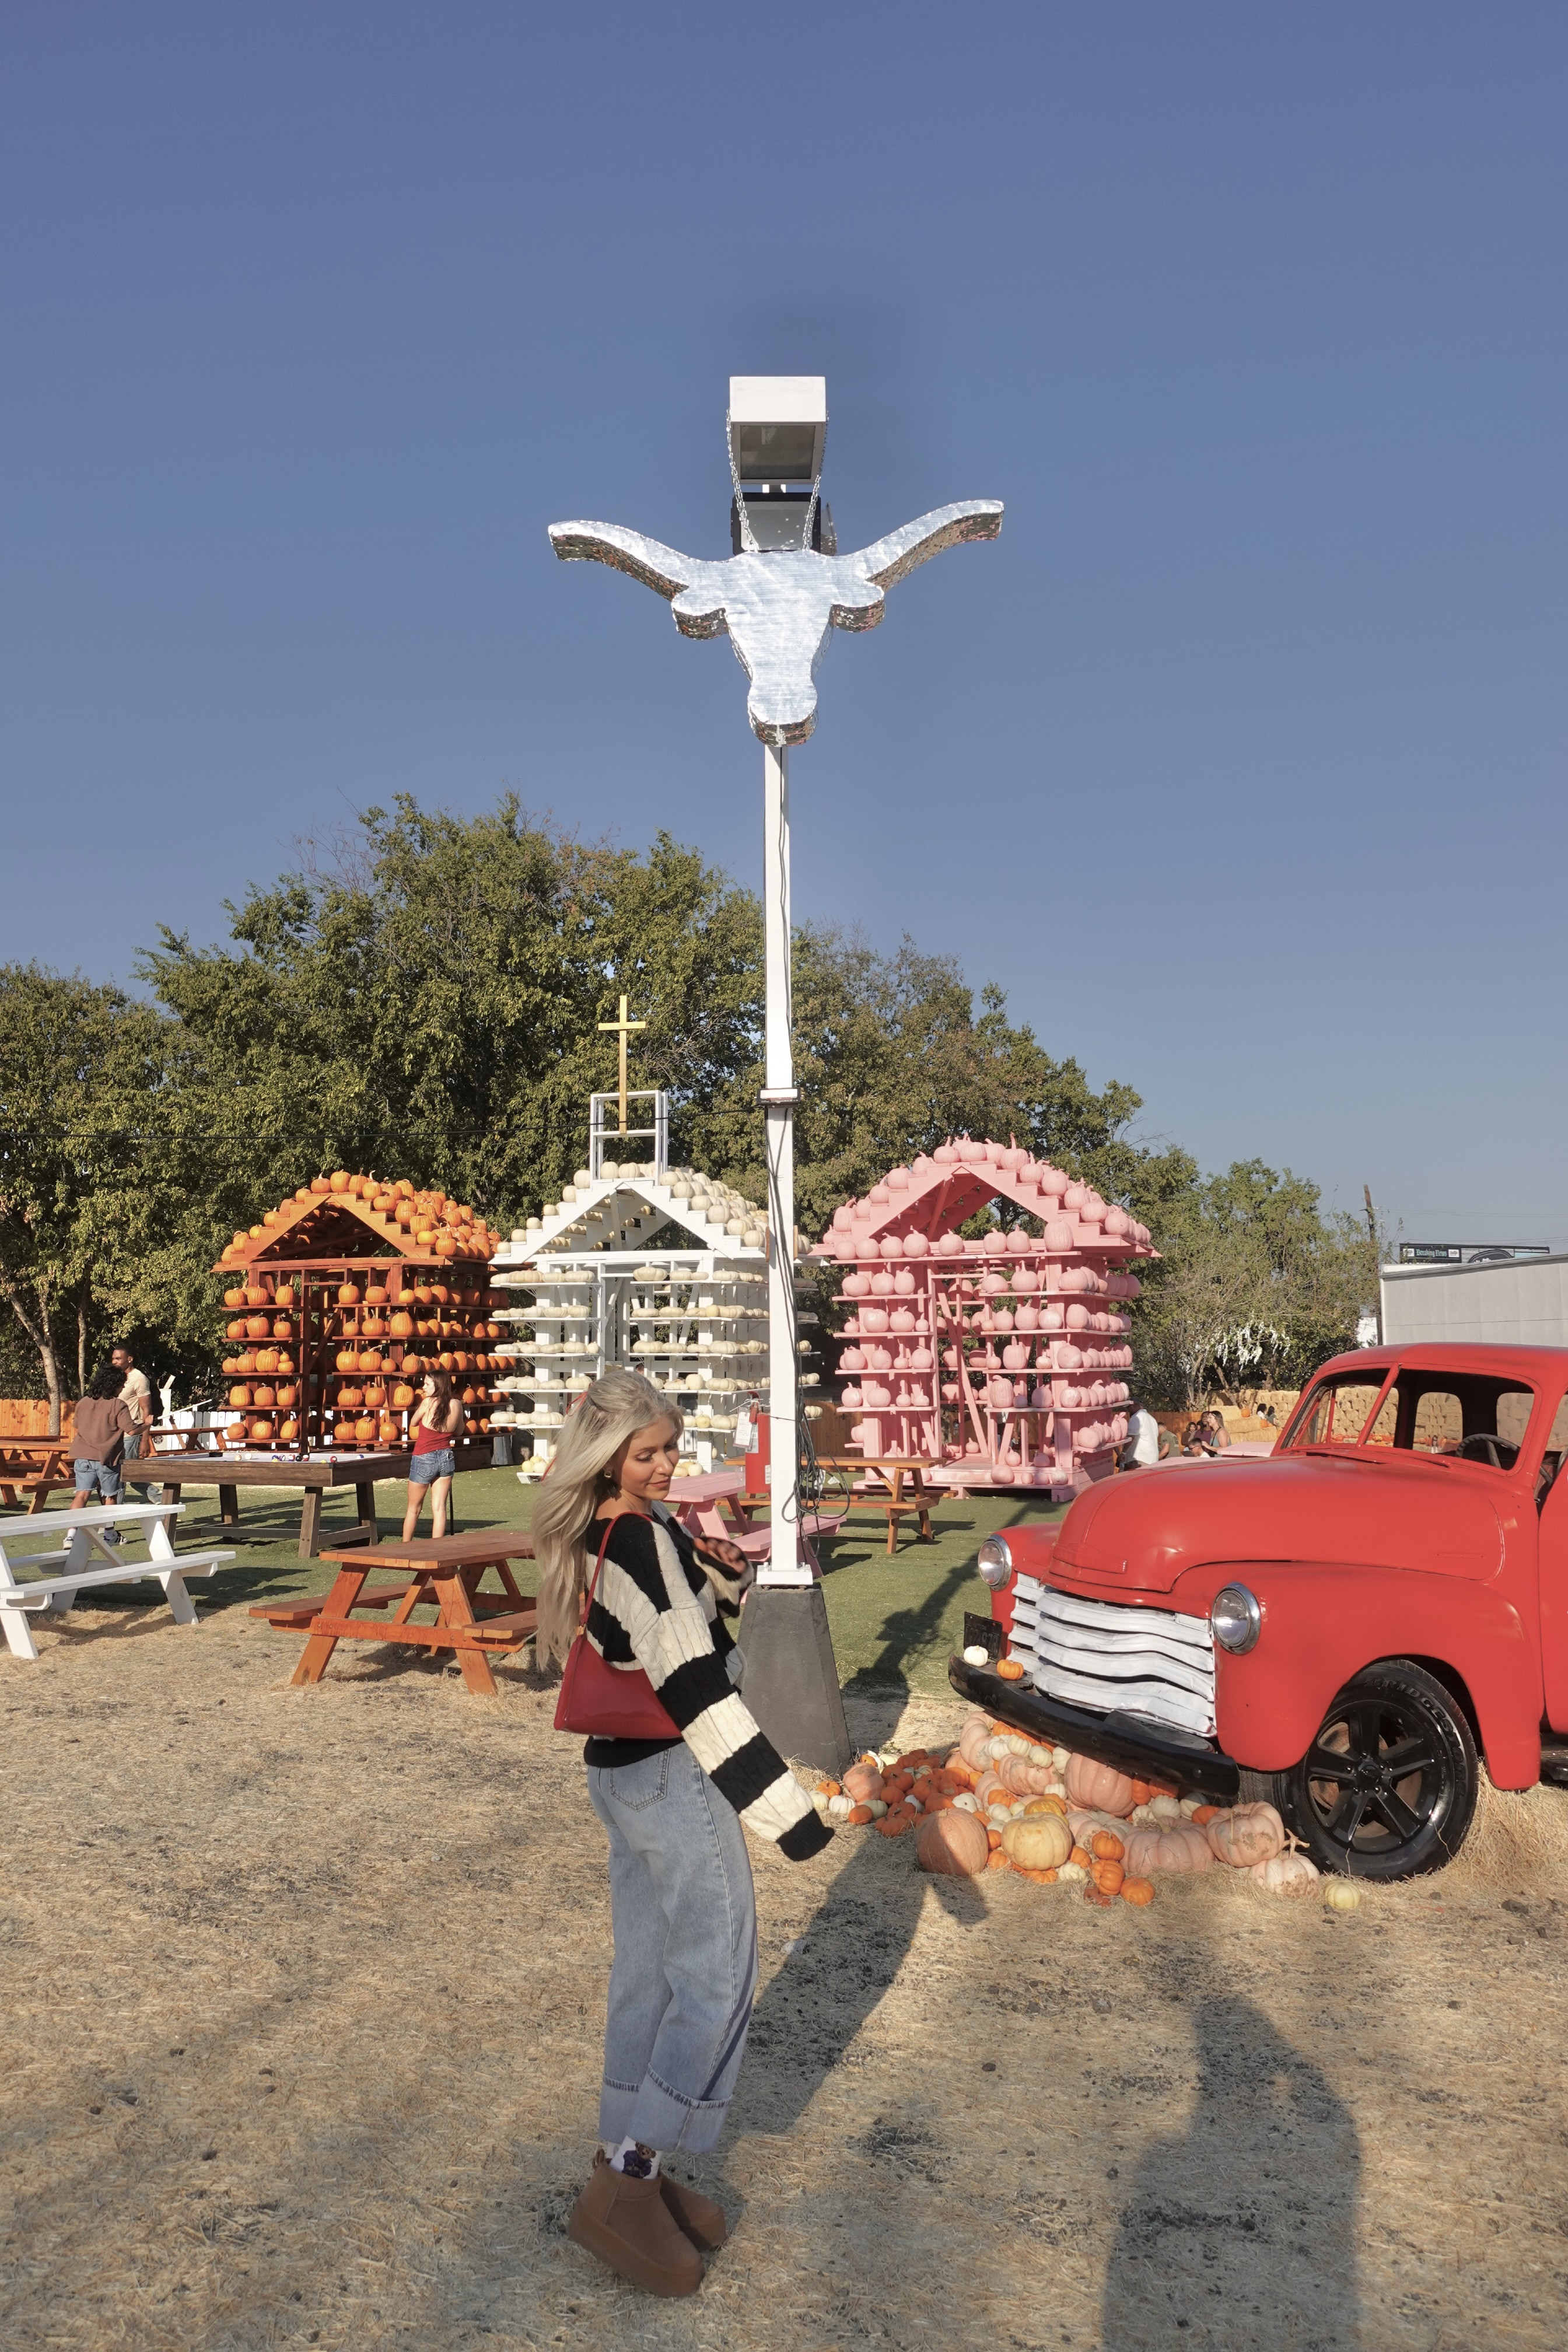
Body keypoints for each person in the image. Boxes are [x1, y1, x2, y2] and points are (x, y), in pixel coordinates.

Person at [534, 1368, 832, 2299]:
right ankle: (629, 2182)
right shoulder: (637, 1540)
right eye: (646, 1453)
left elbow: (679, 1642)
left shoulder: (612, 1527)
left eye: (670, 1449)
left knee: (652, 1971)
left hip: (623, 1777)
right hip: (673, 1772)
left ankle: (626, 2163)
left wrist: (718, 1576)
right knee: (714, 1973)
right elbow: (693, 1686)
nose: (666, 1467)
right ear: (606, 1455)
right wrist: (791, 1816)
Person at [71, 1364, 140, 1538]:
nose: (123, 1387)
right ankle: (109, 1534)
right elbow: (131, 1430)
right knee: (110, 1496)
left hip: (83, 1456)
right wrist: (147, 1423)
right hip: (107, 1458)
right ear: (113, 1384)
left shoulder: (83, 1402)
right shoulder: (118, 1405)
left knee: (82, 1495)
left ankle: (71, 1534)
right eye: (121, 1384)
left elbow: (77, 1425)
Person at [401, 1368, 464, 1539]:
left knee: (414, 1508)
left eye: (427, 1384)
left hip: (424, 1456)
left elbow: (413, 1423)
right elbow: (459, 1432)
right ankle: (438, 1548)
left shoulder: (428, 1402)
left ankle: (405, 1546)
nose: (424, 1387)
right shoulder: (457, 1404)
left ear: (438, 1385)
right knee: (439, 1508)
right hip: (446, 1457)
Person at [111, 1343, 159, 1499]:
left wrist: (145, 1440)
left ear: (130, 1359)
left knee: (125, 1475)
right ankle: (164, 1499)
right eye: (113, 1359)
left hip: (131, 1434)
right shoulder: (115, 1378)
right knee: (125, 1475)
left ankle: (112, 1515)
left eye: (118, 1358)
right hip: (113, 1435)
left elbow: (147, 1411)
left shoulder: (139, 1378)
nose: (115, 1362)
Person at [1119, 1401, 1162, 1470]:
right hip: (1152, 1459)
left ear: (1134, 1406)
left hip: (1139, 1458)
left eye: (1128, 1408)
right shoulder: (1152, 1419)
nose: (1128, 1411)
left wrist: (1123, 1453)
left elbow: (1131, 1437)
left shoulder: (1136, 1418)